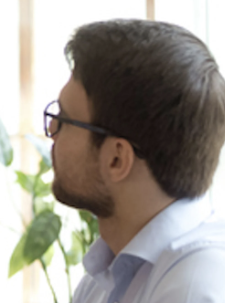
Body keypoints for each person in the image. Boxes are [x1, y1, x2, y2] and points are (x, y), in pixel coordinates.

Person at [47, 20, 225, 303]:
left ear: (117, 159)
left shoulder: (193, 287)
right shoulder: (111, 269)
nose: (52, 132)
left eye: (64, 120)